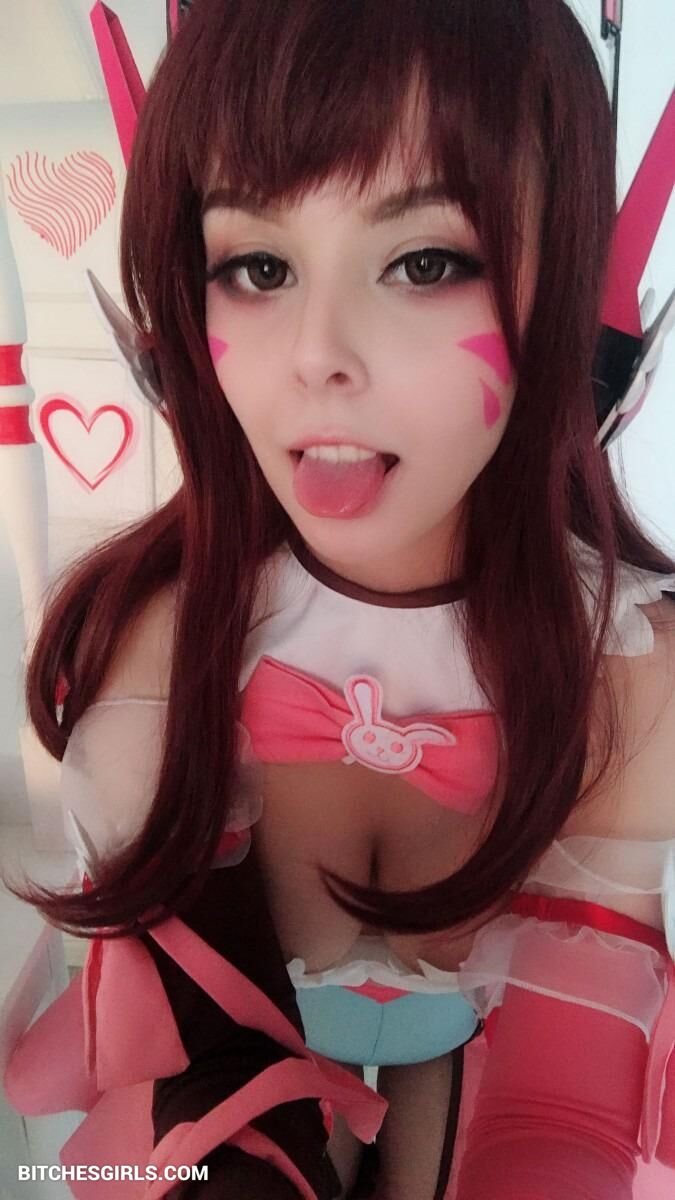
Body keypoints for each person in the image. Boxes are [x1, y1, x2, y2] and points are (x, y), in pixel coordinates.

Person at [3, 1, 675, 1197]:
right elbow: (198, 1060)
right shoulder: (163, 641)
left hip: (472, 1069)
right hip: (230, 1088)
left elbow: (561, 1100)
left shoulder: (626, 667)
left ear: (572, 299)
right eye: (258, 267)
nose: (318, 354)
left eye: (426, 263)